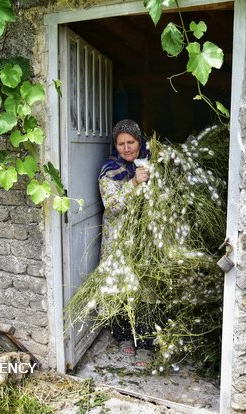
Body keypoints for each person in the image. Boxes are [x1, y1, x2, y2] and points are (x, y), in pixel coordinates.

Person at [98, 119, 152, 367]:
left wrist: (151, 179)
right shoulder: (110, 169)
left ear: (139, 142)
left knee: (145, 290)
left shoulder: (151, 164)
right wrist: (134, 183)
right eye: (121, 144)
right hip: (118, 239)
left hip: (145, 238)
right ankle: (123, 336)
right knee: (120, 287)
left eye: (131, 142)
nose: (126, 148)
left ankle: (146, 343)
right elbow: (113, 204)